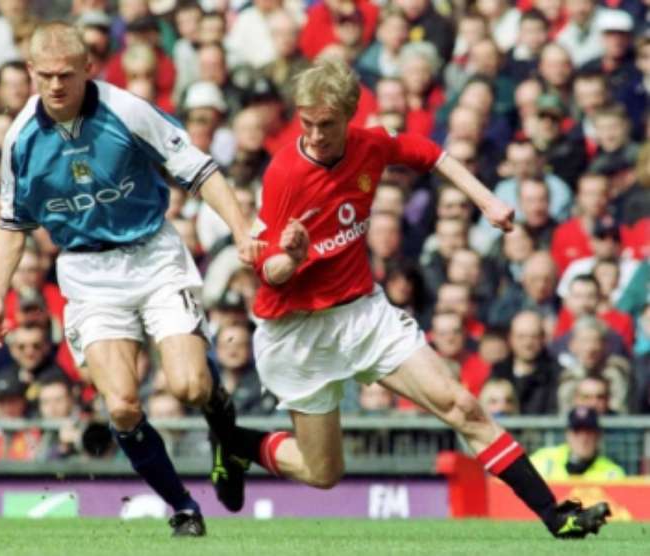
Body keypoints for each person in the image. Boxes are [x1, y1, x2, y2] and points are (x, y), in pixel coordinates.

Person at [214, 58, 609, 539]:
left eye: (327, 125)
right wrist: (291, 259)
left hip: (362, 314)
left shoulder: (369, 145)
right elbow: (269, 275)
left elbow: (428, 153)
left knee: (462, 405)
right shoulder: (286, 174)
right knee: (323, 473)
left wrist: (485, 201)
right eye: (307, 122)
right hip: (295, 331)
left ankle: (556, 514)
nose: (315, 134)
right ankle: (236, 445)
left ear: (349, 116)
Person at [0, 22, 261, 537]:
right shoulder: (19, 140)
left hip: (153, 254)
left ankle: (227, 437)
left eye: (67, 74)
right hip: (87, 272)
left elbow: (199, 170)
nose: (57, 85)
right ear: (29, 73)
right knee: (124, 406)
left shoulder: (126, 110)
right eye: (45, 76)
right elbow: (12, 224)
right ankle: (183, 507)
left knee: (189, 384)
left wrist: (242, 232)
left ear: (88, 68)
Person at [530, 407, 626, 480]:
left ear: (598, 435)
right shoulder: (542, 459)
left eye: (589, 432)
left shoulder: (612, 474)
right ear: (567, 434)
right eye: (577, 431)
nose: (583, 438)